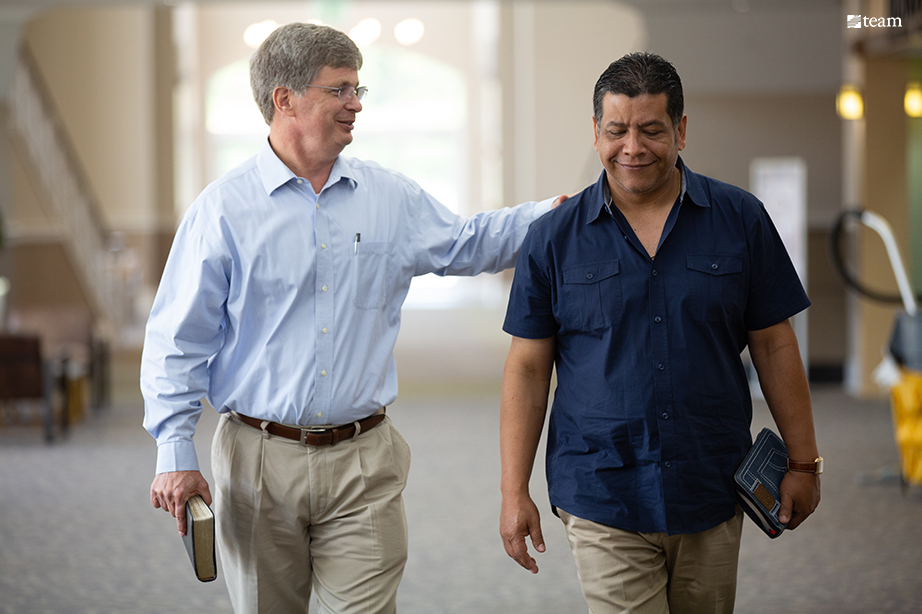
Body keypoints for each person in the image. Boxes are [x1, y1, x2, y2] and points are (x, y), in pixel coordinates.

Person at [142, 23, 556, 614]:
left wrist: (563, 214)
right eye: (339, 89)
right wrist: (174, 450)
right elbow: (176, 342)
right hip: (257, 459)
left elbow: (469, 243)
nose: (355, 103)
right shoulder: (222, 211)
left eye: (358, 89)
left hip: (365, 461)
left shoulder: (388, 196)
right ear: (285, 99)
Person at [498, 52, 821, 614]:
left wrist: (803, 462)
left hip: (711, 481)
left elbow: (774, 343)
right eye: (617, 131)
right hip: (601, 487)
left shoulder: (740, 219)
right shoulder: (552, 238)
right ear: (595, 133)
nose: (632, 148)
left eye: (651, 130)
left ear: (681, 130)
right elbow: (527, 366)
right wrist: (512, 490)